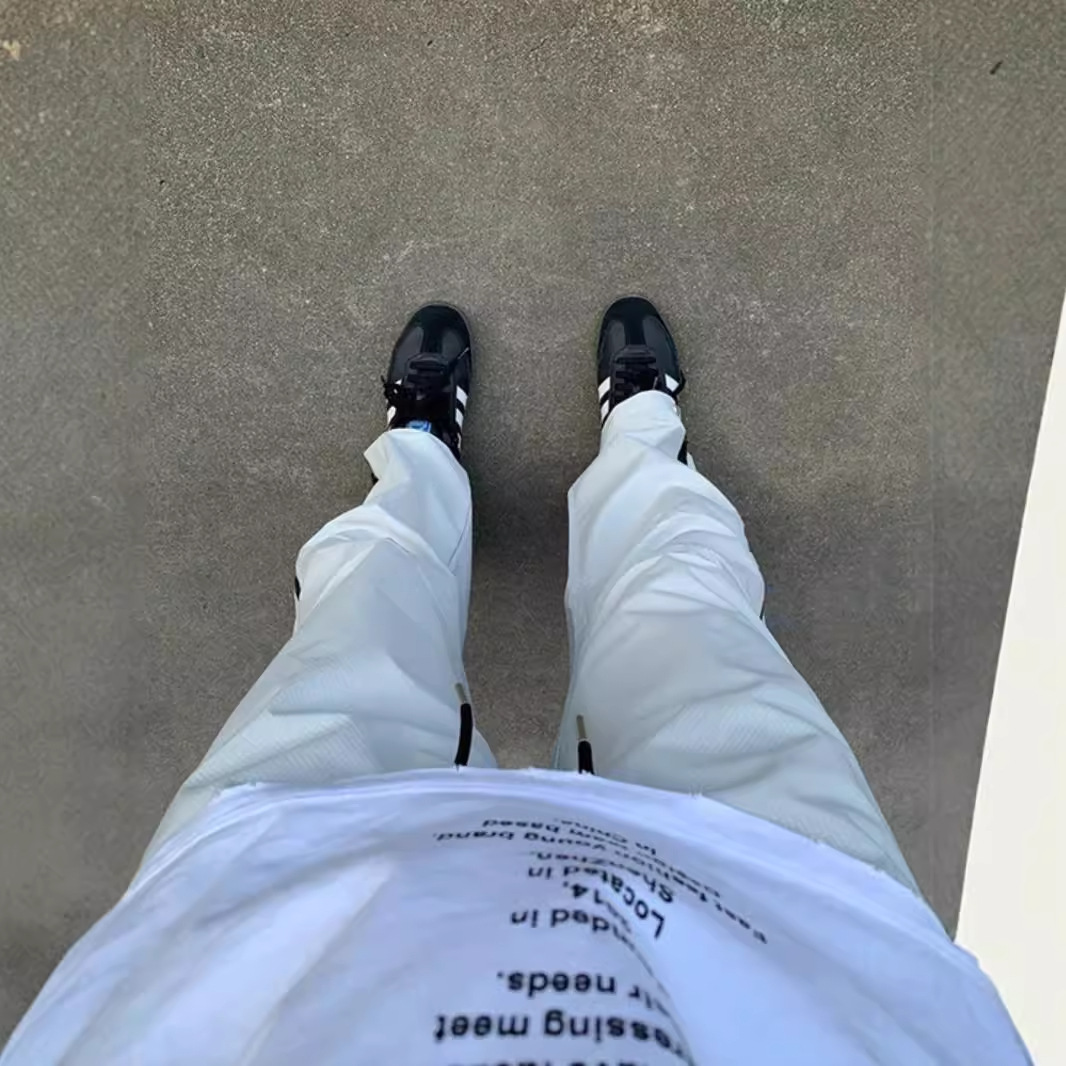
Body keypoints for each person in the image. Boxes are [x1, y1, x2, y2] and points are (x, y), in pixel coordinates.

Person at [3, 299, 1026, 1064]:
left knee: (361, 622)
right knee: (689, 617)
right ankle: (642, 436)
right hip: (810, 939)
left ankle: (419, 456)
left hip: (267, 919)